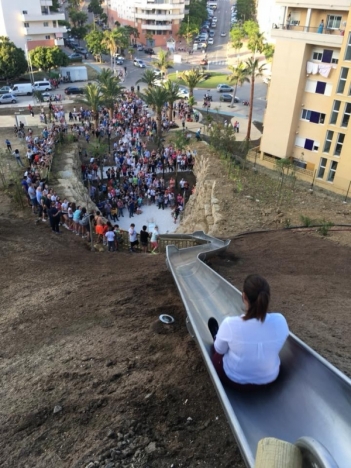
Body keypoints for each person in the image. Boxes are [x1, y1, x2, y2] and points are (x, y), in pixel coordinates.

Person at [210, 274, 289, 390]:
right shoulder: (280, 320)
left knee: (216, 352)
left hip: (235, 381)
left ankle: (218, 336)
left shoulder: (230, 324)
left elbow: (219, 350)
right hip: (270, 379)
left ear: (244, 297)